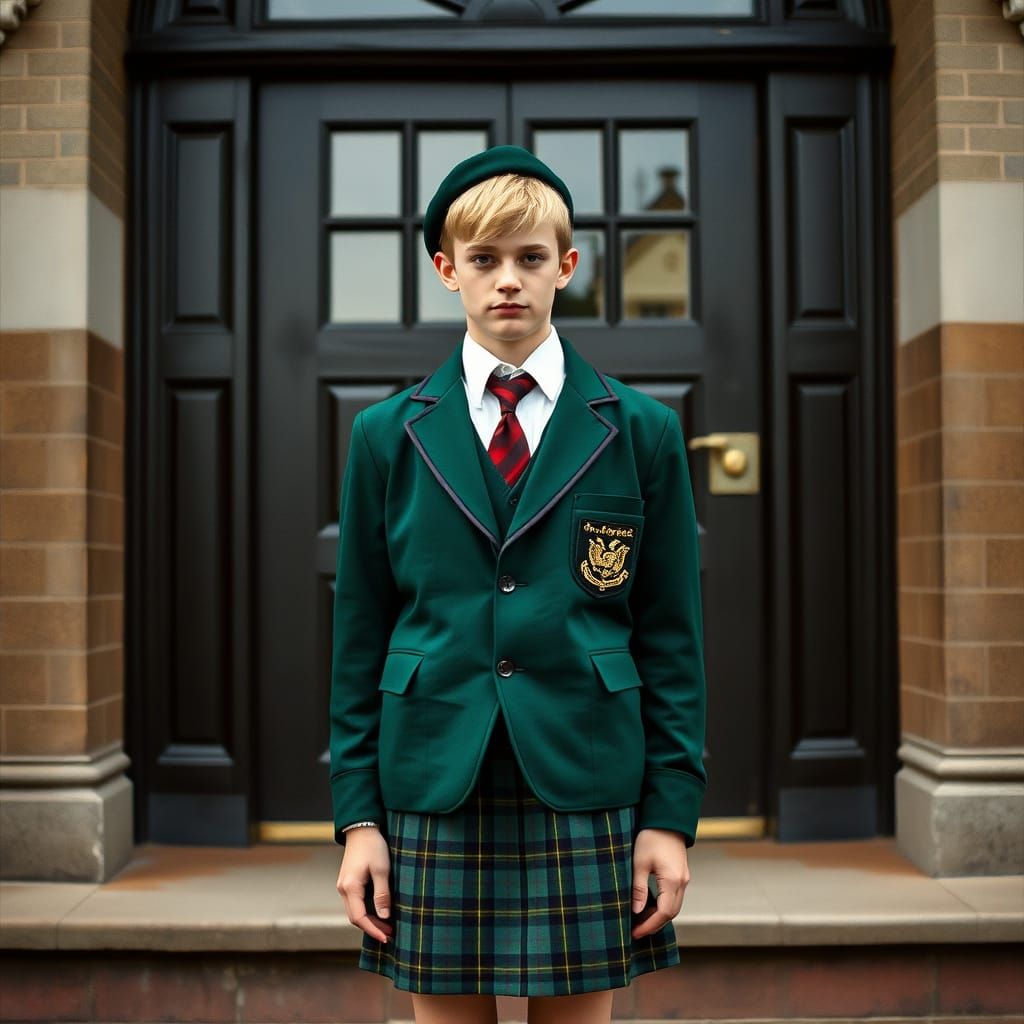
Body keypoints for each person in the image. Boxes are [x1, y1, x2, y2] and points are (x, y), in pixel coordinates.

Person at [330, 145, 708, 1024]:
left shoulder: (640, 431)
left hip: (584, 770)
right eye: (485, 260)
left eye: (531, 258)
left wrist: (670, 816)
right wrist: (358, 822)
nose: (509, 281)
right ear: (445, 269)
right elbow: (359, 635)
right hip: (433, 775)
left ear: (567, 267)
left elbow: (672, 639)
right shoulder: (388, 434)